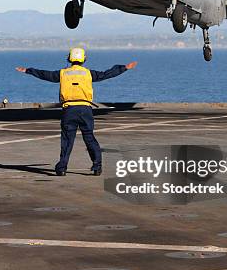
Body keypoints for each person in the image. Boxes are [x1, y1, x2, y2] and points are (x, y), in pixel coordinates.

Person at [16, 48, 137, 176]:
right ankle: (97, 166)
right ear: (84, 59)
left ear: (69, 59)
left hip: (69, 110)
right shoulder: (89, 73)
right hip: (86, 109)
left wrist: (28, 70)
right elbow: (107, 74)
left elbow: (45, 74)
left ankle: (62, 168)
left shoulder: (63, 73)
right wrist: (124, 68)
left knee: (67, 140)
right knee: (89, 138)